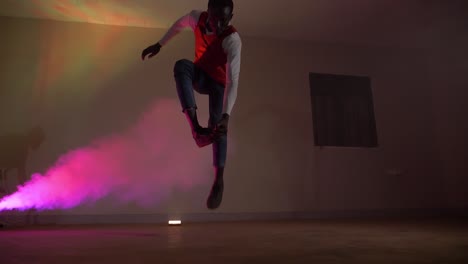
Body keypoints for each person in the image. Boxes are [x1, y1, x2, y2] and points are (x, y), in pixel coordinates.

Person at [141, 0, 241, 209]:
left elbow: (233, 80)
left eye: (223, 19)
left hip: (218, 85)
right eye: (214, 19)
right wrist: (159, 44)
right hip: (201, 76)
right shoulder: (196, 18)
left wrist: (226, 116)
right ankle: (196, 130)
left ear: (230, 18)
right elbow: (179, 24)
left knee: (218, 125)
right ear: (208, 13)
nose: (218, 24)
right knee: (182, 66)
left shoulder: (232, 40)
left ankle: (218, 180)